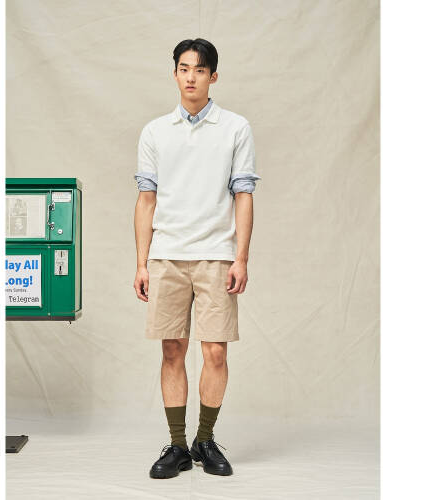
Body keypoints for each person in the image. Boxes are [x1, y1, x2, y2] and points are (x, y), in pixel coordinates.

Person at [133, 38, 261, 479]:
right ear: (175, 74)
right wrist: (141, 262)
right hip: (167, 255)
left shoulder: (235, 128)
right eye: (184, 68)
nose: (191, 77)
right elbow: (146, 200)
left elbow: (243, 196)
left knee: (215, 352)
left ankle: (205, 440)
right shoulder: (155, 131)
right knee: (172, 349)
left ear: (213, 76)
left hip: (216, 254)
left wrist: (240, 258)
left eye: (200, 70)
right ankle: (177, 446)